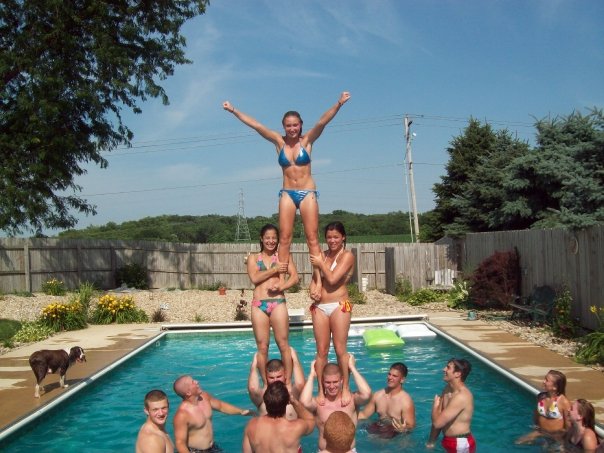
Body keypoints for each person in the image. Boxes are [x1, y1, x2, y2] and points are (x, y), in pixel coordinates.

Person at [223, 92, 351, 299]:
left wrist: (339, 103)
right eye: (288, 126)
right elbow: (256, 125)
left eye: (295, 125)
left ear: (301, 125)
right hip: (287, 193)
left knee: (312, 238)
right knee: (284, 238)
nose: (292, 129)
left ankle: (317, 280)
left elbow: (322, 121)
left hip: (307, 192)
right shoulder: (278, 142)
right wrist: (234, 110)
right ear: (284, 126)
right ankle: (281, 279)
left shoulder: (307, 140)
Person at [308, 221, 355, 406]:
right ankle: (321, 389)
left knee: (340, 349)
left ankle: (345, 388)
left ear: (343, 237)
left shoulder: (347, 256)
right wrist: (312, 290)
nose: (332, 240)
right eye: (329, 237)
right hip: (319, 306)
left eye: (336, 237)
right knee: (321, 351)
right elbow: (315, 278)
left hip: (340, 305)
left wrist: (320, 263)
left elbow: (333, 279)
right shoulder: (323, 254)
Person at [247, 223, 299, 385]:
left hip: (278, 302)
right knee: (262, 347)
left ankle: (287, 383)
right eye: (267, 238)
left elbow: (295, 277)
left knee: (283, 344)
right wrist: (275, 269)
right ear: (261, 239)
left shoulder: (283, 256)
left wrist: (282, 286)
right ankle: (266, 384)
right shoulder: (253, 258)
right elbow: (255, 278)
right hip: (259, 304)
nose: (271, 241)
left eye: (274, 238)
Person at [300, 355, 371, 451]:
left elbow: (367, 394)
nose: (332, 386)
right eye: (328, 382)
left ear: (341, 380)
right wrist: (312, 375)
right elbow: (304, 402)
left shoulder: (351, 400)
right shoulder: (319, 403)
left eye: (335, 382)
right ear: (323, 382)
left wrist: (352, 368)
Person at [173, 375, 253, 453]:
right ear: (188, 392)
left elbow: (221, 406)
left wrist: (242, 411)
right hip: (195, 451)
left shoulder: (204, 397)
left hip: (212, 448)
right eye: (192, 382)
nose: (197, 381)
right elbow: (180, 443)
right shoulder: (182, 415)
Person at [242, 381, 315, 453]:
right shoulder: (295, 428)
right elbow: (310, 420)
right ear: (287, 401)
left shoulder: (251, 426)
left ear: (265, 401)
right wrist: (294, 401)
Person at [427, 358, 475, 453]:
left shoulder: (462, 396)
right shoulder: (447, 389)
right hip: (447, 440)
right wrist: (431, 442)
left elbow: (437, 423)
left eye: (448, 367)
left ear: (458, 373)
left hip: (460, 444)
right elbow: (439, 418)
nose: (444, 369)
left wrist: (435, 407)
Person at [358, 362, 416, 438]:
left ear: (402, 379)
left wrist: (403, 429)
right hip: (378, 427)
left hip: (395, 433)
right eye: (389, 374)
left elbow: (411, 426)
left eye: (394, 376)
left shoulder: (405, 401)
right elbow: (364, 415)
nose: (390, 378)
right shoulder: (378, 396)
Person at [516, 369, 571, 445]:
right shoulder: (541, 397)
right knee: (518, 442)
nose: (543, 381)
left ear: (555, 387)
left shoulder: (564, 402)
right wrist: (535, 427)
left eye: (547, 380)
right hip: (540, 432)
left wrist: (564, 440)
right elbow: (536, 414)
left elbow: (568, 426)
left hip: (556, 435)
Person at [247, 347, 305, 420]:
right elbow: (252, 388)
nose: (275, 380)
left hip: (290, 427)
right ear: (266, 377)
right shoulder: (263, 396)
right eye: (271, 378)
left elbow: (300, 384)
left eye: (279, 376)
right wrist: (254, 366)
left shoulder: (291, 394)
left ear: (285, 375)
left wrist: (295, 359)